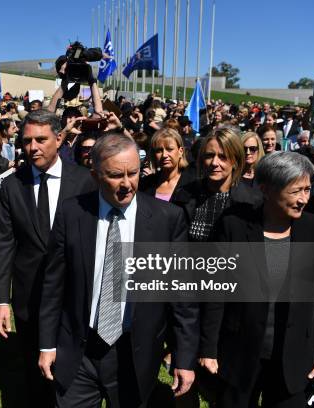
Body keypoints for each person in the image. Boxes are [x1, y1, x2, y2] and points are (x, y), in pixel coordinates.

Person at [38, 132, 199, 407]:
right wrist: (47, 345)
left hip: (133, 353)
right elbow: (54, 284)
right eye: (115, 175)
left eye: (134, 173)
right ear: (95, 175)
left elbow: (182, 298)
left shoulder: (167, 220)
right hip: (79, 350)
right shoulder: (72, 213)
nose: (127, 184)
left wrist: (184, 358)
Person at [199, 151, 314, 408]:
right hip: (239, 355)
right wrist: (209, 349)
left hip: (296, 361)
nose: (303, 200)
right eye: (296, 191)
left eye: (307, 190)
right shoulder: (233, 226)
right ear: (267, 190)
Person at [0, 109, 96, 408]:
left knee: (74, 370)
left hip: (75, 294)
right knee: (34, 371)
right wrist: (1, 298)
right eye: (27, 141)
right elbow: (4, 244)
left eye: (41, 139)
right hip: (29, 296)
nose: (33, 147)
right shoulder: (13, 185)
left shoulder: (84, 181)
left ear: (60, 139)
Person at [173, 126, 261, 242]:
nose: (214, 163)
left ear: (235, 161)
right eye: (209, 155)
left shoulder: (252, 202)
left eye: (223, 156)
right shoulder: (184, 195)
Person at [140, 128, 194, 202]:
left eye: (169, 149)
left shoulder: (191, 184)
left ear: (180, 151)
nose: (164, 155)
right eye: (159, 150)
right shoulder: (145, 184)